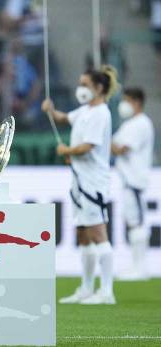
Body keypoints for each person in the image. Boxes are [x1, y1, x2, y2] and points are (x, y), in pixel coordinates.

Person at [42, 65, 119, 305]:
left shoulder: (101, 113)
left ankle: (106, 291)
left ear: (98, 87)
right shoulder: (85, 110)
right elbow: (64, 119)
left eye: (85, 85)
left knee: (98, 233)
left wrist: (67, 150)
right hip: (79, 179)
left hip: (94, 181)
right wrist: (51, 110)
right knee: (83, 234)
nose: (80, 89)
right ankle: (86, 287)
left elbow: (88, 146)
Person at [112, 87, 154, 281]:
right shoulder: (130, 124)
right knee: (132, 221)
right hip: (128, 180)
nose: (124, 105)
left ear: (136, 102)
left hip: (135, 179)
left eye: (127, 100)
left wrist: (103, 140)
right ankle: (136, 265)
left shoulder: (141, 124)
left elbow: (121, 148)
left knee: (137, 222)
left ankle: (141, 267)